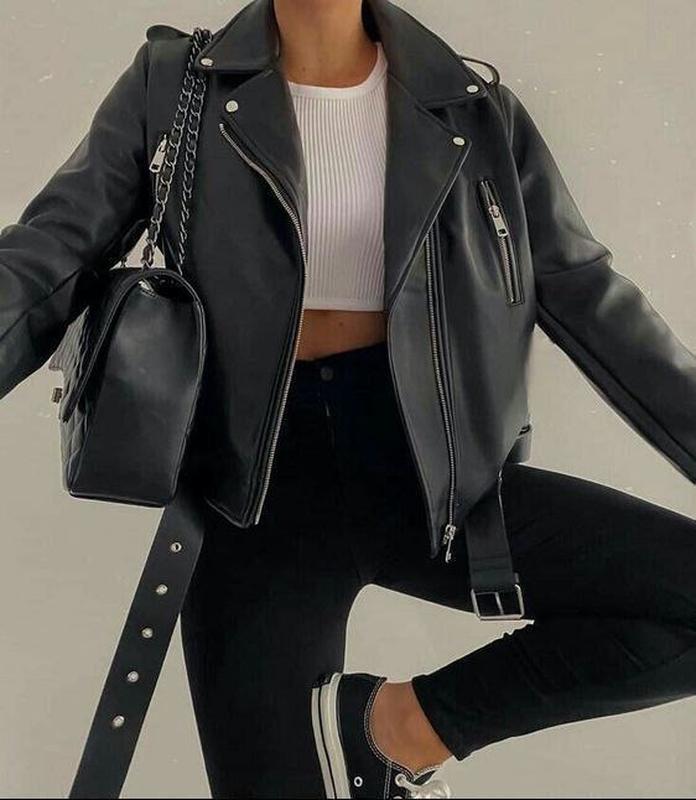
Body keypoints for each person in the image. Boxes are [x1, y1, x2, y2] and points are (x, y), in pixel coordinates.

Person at [2, 1, 696, 798]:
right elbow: (46, 258)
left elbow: (593, 302)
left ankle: (399, 729)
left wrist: (437, 718)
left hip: (433, 485)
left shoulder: (472, 109)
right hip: (250, 497)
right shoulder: (174, 87)